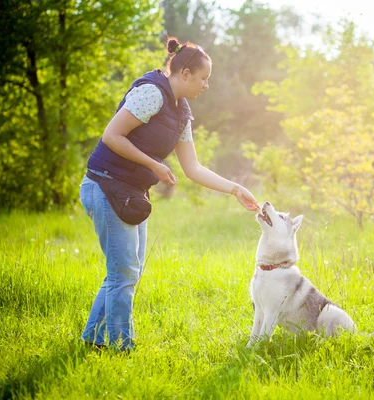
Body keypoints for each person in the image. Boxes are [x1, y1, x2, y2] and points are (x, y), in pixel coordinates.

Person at [79, 37, 260, 351]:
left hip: (131, 192)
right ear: (186, 74)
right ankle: (122, 347)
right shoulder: (151, 93)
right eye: (204, 78)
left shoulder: (181, 113)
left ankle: (94, 340)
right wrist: (154, 165)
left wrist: (234, 189)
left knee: (126, 272)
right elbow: (112, 135)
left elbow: (193, 168)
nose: (206, 85)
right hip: (105, 185)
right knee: (124, 272)